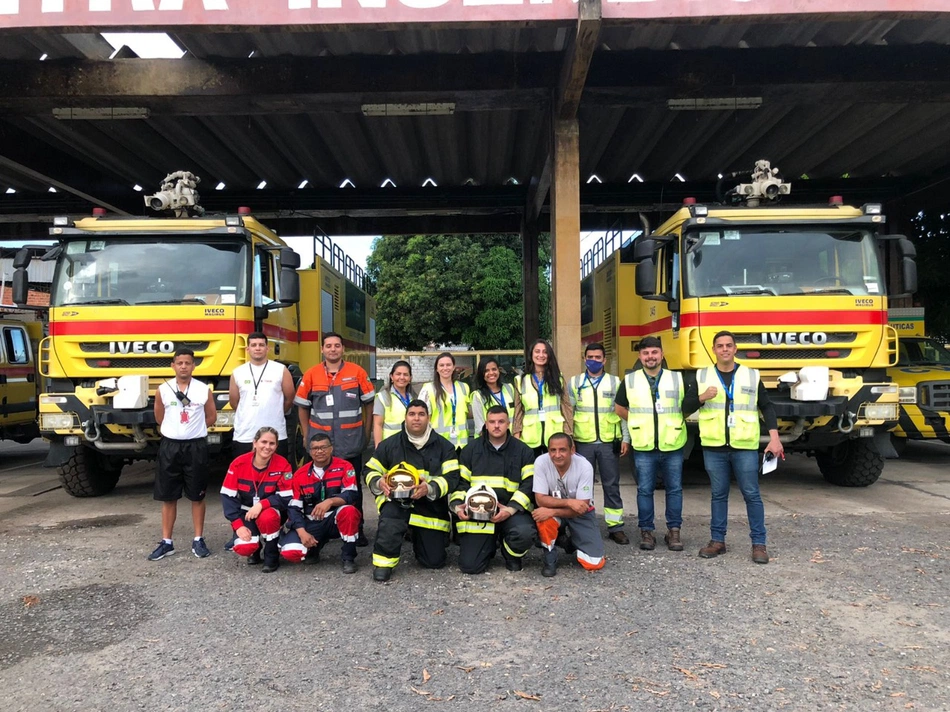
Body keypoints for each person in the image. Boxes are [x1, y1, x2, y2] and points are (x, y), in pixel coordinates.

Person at [683, 330, 784, 564]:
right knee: (718, 495)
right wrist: (701, 397)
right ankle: (717, 541)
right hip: (714, 446)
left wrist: (775, 438)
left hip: (744, 445)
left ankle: (759, 544)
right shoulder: (702, 376)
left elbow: (766, 407)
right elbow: (685, 408)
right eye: (720, 346)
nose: (725, 349)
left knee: (752, 494)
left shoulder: (750, 375)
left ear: (735, 349)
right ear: (714, 350)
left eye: (729, 345)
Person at [364, 399, 460, 582]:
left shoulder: (444, 446)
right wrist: (379, 482)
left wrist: (429, 488)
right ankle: (384, 563)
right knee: (391, 520)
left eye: (421, 414)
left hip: (429, 505)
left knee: (434, 561)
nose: (416, 418)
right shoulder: (390, 444)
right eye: (412, 414)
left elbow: (453, 477)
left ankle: (415, 534)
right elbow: (369, 469)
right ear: (405, 417)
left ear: (428, 418)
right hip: (396, 502)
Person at [295, 331, 375, 546]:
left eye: (337, 345)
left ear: (343, 349)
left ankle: (356, 529)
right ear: (322, 349)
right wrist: (306, 435)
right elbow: (302, 407)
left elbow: (369, 404)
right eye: (328, 346)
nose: (333, 349)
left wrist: (366, 432)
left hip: (350, 442)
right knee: (317, 487)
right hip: (320, 444)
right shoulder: (311, 374)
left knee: (352, 487)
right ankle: (321, 527)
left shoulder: (357, 372)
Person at [614, 336, 686, 552]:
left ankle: (674, 532)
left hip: (672, 442)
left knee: (674, 490)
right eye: (645, 353)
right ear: (640, 356)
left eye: (654, 352)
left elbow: (686, 406)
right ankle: (647, 531)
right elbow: (619, 408)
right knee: (645, 490)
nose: (650, 357)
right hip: (644, 444)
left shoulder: (677, 378)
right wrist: (637, 421)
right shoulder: (630, 380)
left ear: (662, 355)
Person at [148, 347, 217, 561]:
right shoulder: (163, 390)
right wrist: (175, 430)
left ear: (194, 366)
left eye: (188, 363)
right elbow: (159, 417)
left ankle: (198, 539)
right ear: (173, 366)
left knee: (197, 495)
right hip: (170, 447)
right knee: (168, 496)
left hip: (195, 447)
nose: (184, 367)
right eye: (180, 363)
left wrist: (194, 430)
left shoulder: (203, 390)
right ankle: (167, 542)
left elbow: (211, 417)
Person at [450, 406, 537, 574]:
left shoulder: (523, 450)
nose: (496, 426)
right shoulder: (471, 450)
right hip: (478, 512)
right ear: (486, 424)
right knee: (470, 566)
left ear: (508, 423)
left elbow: (529, 484)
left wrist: (510, 509)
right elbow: (461, 484)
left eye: (501, 422)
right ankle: (488, 547)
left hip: (510, 511)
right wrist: (457, 506)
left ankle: (510, 554)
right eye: (492, 422)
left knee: (525, 533)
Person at [569, 342, 630, 545]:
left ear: (604, 360)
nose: (593, 361)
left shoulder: (615, 382)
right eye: (590, 357)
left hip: (608, 442)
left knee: (611, 484)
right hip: (582, 441)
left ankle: (615, 527)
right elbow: (569, 413)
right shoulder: (575, 382)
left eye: (597, 358)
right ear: (584, 359)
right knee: (583, 486)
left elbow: (622, 412)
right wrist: (569, 440)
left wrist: (626, 438)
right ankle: (587, 523)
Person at [278, 433, 362, 574]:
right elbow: (293, 508)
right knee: (291, 552)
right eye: (315, 448)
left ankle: (348, 557)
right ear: (310, 452)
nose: (320, 451)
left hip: (334, 519)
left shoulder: (345, 466)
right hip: (311, 522)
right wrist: (302, 532)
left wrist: (330, 501)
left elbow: (351, 494)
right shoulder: (300, 474)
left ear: (331, 448)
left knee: (349, 511)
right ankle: (314, 548)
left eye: (323, 447)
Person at [220, 426, 293, 573]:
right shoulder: (238, 463)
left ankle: (271, 555)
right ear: (255, 443)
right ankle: (255, 549)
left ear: (276, 446)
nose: (267, 447)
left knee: (268, 517)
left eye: (272, 443)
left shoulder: (283, 464)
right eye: (263, 442)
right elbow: (228, 496)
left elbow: (287, 497)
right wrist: (238, 525)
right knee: (244, 547)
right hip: (246, 512)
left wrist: (262, 504)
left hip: (270, 511)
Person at [531, 433, 605, 577]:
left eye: (562, 450)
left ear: (572, 450)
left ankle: (571, 541)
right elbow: (540, 499)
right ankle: (550, 558)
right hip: (556, 509)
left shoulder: (584, 466)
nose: (557, 455)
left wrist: (553, 511)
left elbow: (582, 507)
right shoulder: (541, 462)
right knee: (543, 516)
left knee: (594, 563)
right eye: (553, 450)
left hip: (579, 514)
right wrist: (568, 502)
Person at [228, 331, 295, 460]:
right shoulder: (238, 373)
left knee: (276, 471)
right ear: (247, 349)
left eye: (261, 345)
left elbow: (290, 398)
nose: (257, 348)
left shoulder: (280, 370)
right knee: (245, 471)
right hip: (245, 435)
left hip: (275, 434)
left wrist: (277, 411)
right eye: (253, 345)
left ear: (267, 348)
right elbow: (234, 402)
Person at [514, 339, 573, 456]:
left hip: (555, 436)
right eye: (537, 351)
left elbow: (566, 407)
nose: (541, 355)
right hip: (530, 437)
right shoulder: (520, 380)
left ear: (549, 355)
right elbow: (518, 411)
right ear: (531, 354)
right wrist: (516, 436)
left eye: (545, 352)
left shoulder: (558, 379)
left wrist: (569, 435)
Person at [419, 352, 470, 451]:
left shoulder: (464, 387)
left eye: (448, 365)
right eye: (441, 365)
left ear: (453, 367)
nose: (445, 368)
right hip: (438, 445)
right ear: (437, 369)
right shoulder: (428, 389)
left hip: (462, 444)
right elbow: (423, 418)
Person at [470, 357, 519, 433]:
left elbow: (517, 416)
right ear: (481, 374)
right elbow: (480, 427)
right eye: (486, 371)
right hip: (489, 439)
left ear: (499, 370)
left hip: (511, 438)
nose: (491, 373)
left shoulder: (509, 388)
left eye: (494, 369)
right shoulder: (478, 396)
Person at [373, 360, 415, 445]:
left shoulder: (414, 397)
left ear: (410, 378)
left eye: (405, 374)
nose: (402, 377)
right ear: (391, 377)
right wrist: (378, 448)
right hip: (391, 446)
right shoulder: (382, 397)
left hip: (411, 444)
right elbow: (377, 425)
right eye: (398, 374)